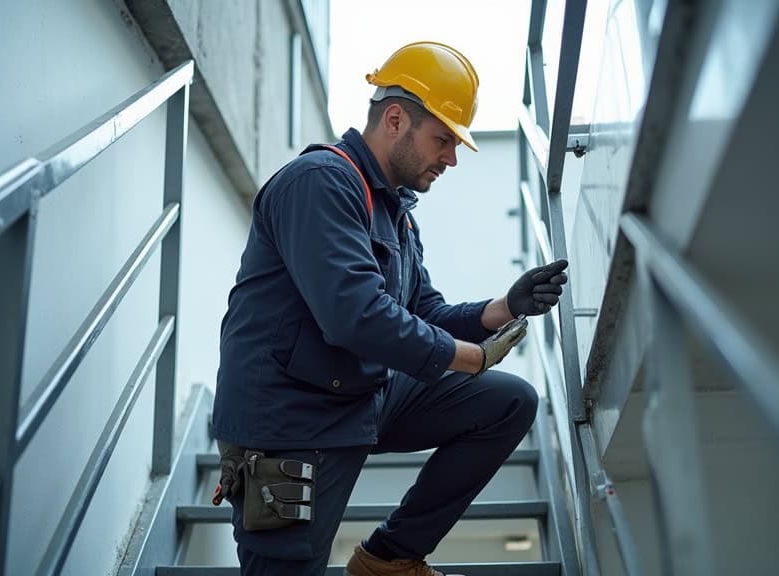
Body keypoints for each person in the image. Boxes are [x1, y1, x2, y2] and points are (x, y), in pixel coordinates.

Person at [211, 41, 569, 576]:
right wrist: (470, 356)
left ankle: (389, 558)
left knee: (508, 403)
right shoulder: (320, 183)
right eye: (443, 139)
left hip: (357, 397)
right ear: (396, 119)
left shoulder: (396, 211)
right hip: (288, 424)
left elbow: (421, 310)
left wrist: (500, 309)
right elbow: (355, 314)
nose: (451, 158)